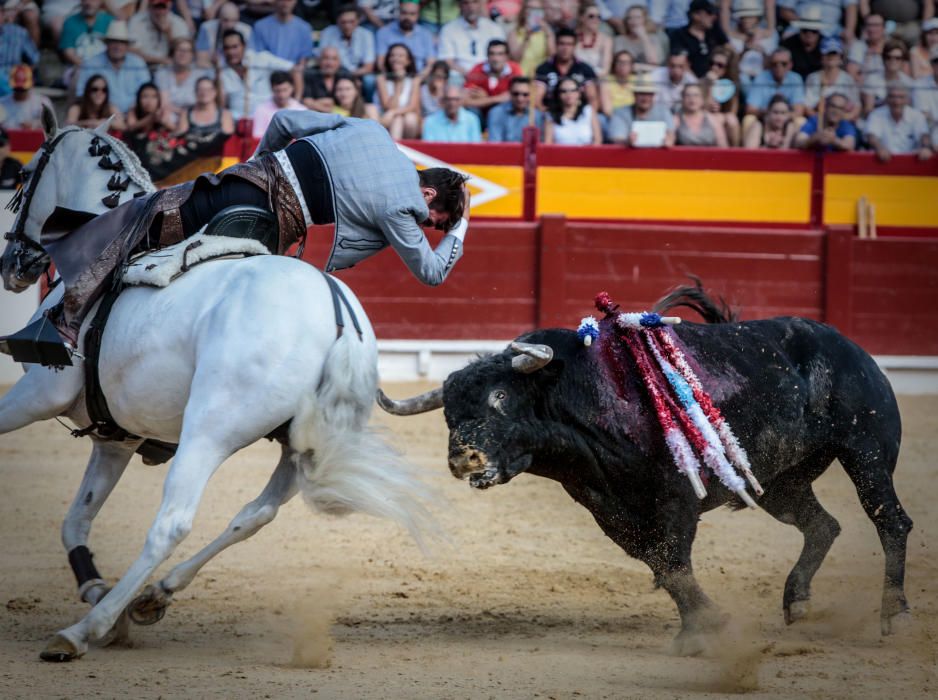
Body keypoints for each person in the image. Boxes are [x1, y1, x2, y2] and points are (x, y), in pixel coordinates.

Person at [3, 108, 473, 360]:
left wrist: (256, 165)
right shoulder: (401, 206)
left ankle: (61, 326)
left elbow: (283, 121)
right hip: (272, 230)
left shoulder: (371, 129)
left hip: (242, 192)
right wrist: (464, 228)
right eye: (434, 223)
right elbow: (432, 273)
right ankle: (69, 335)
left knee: (141, 218)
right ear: (427, 195)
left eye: (432, 229)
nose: (423, 228)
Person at [219, 28, 298, 120]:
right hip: (237, 121)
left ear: (244, 46)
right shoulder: (221, 71)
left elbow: (295, 69)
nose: (231, 52)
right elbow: (221, 105)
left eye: (235, 47)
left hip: (267, 118)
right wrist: (217, 74)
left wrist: (295, 100)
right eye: (227, 48)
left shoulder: (262, 59)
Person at [75, 20, 151, 113]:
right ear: (106, 43)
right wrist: (107, 108)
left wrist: (133, 111)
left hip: (135, 114)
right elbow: (81, 94)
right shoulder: (91, 63)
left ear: (127, 45)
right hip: (102, 115)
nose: (117, 46)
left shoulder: (138, 63)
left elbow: (148, 93)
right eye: (113, 41)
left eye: (121, 42)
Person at [865, 83, 933, 161]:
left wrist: (925, 148)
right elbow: (872, 136)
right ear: (887, 99)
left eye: (901, 97)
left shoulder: (917, 116)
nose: (897, 101)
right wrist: (879, 148)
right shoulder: (876, 114)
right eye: (892, 97)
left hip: (911, 164)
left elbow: (924, 135)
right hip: (883, 164)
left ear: (907, 99)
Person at [534, 27, 598, 110]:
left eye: (569, 44)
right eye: (562, 44)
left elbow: (592, 99)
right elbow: (537, 100)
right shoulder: (543, 69)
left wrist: (584, 118)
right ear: (556, 45)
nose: (565, 48)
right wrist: (550, 117)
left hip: (579, 116)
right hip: (550, 113)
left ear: (574, 46)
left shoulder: (585, 69)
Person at [318, 4, 377, 92]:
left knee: (369, 80)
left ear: (358, 20)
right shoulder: (328, 32)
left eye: (351, 21)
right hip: (334, 74)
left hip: (359, 74)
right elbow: (322, 60)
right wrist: (346, 78)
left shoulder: (366, 35)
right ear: (337, 21)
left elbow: (368, 67)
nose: (347, 26)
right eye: (343, 22)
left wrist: (351, 77)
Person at [154, 38, 212, 127]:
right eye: (179, 50)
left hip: (195, 116)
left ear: (192, 55)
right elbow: (164, 104)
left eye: (188, 51)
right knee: (163, 115)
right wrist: (183, 114)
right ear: (173, 53)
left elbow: (203, 101)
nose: (183, 54)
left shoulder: (200, 75)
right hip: (170, 118)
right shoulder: (162, 74)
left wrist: (187, 116)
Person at [440, 0, 507, 74]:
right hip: (460, 75)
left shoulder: (494, 28)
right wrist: (470, 75)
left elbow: (503, 55)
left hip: (490, 74)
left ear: (480, 4)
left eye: (474, 2)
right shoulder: (449, 29)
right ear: (459, 6)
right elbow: (447, 61)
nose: (471, 7)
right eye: (466, 3)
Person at [609, 72, 675, 146]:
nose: (645, 98)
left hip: (658, 156)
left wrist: (669, 141)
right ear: (634, 94)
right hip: (629, 156)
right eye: (641, 93)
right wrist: (627, 142)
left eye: (648, 94)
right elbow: (616, 139)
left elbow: (671, 135)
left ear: (653, 95)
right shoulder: (620, 113)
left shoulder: (663, 111)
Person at [669, 0, 729, 78]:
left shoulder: (714, 32)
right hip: (690, 83)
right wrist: (698, 84)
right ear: (695, 15)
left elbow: (730, 51)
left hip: (716, 81)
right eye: (709, 13)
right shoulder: (679, 35)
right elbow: (681, 62)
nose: (713, 17)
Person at [374, 42, 422, 138]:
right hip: (386, 120)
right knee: (398, 120)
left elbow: (412, 106)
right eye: (392, 55)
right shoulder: (381, 79)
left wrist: (393, 112)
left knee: (410, 119)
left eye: (401, 56)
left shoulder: (415, 79)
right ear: (388, 59)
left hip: (407, 120)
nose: (396, 58)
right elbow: (388, 107)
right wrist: (398, 84)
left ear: (408, 61)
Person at [463, 39, 523, 116]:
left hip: (504, 114)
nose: (495, 58)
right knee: (471, 110)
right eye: (492, 54)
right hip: (481, 113)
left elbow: (518, 96)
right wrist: (497, 99)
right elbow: (465, 101)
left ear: (507, 56)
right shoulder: (477, 69)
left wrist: (484, 99)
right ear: (487, 56)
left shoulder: (515, 69)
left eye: (500, 54)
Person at [804, 36, 859, 119]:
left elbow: (856, 107)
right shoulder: (812, 78)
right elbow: (807, 107)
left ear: (841, 58)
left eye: (834, 54)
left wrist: (843, 119)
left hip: (841, 121)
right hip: (817, 120)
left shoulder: (848, 79)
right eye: (828, 54)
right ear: (821, 57)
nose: (831, 57)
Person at [375, 0, 436, 73]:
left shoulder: (425, 34)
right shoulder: (384, 32)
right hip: (391, 77)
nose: (407, 17)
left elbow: (430, 64)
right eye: (404, 13)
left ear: (418, 15)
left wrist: (418, 79)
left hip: (419, 77)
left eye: (412, 14)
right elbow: (380, 64)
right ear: (398, 13)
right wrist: (389, 78)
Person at [127, 0, 191, 68]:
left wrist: (168, 33)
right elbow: (133, 51)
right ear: (149, 7)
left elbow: (183, 52)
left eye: (163, 7)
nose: (160, 12)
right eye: (156, 7)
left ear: (169, 6)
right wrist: (160, 60)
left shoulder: (178, 23)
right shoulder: (137, 21)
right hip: (142, 66)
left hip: (168, 68)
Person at [861, 38, 916, 118]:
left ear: (902, 61)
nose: (893, 61)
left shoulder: (909, 83)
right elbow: (868, 111)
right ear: (883, 59)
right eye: (889, 57)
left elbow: (911, 111)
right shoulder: (872, 80)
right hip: (877, 122)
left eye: (897, 58)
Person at [746, 47, 806, 118]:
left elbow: (798, 111)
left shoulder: (796, 79)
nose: (779, 67)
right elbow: (750, 109)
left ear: (790, 65)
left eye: (783, 64)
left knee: (800, 121)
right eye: (774, 64)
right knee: (749, 118)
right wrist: (773, 113)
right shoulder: (761, 78)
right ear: (770, 65)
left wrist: (780, 115)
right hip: (765, 118)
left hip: (787, 120)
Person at [251, 0, 313, 65]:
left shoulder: (304, 28)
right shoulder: (260, 26)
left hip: (294, 73)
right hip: (266, 71)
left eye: (289, 0)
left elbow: (304, 58)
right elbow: (258, 55)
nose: (285, 3)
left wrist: (297, 72)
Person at [544, 75, 601, 144]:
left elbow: (597, 140)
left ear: (579, 92)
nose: (569, 94)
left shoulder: (588, 111)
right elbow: (548, 143)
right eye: (563, 91)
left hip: (587, 153)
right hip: (560, 154)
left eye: (573, 90)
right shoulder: (551, 114)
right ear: (558, 94)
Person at [195, 1, 252, 68]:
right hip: (212, 69)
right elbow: (201, 61)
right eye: (226, 20)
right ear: (219, 18)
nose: (230, 25)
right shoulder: (207, 28)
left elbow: (249, 59)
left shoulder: (247, 30)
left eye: (234, 20)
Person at [487, 75, 545, 141]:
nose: (520, 98)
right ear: (509, 93)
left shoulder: (537, 116)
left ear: (531, 95)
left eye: (525, 94)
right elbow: (495, 142)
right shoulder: (496, 113)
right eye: (516, 94)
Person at [58, 0, 112, 70]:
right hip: (78, 67)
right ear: (81, 2)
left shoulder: (110, 21)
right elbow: (69, 52)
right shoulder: (70, 22)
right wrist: (87, 67)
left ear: (101, 2)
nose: (89, 3)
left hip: (107, 67)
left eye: (93, 1)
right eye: (85, 0)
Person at [252, 70, 306, 137]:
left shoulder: (301, 110)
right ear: (272, 89)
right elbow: (258, 136)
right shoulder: (261, 110)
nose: (282, 95)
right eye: (277, 91)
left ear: (292, 88)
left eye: (285, 90)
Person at [613, 4, 668, 68]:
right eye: (630, 18)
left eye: (638, 17)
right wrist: (645, 67)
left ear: (645, 20)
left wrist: (644, 37)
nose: (634, 21)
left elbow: (655, 62)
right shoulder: (619, 40)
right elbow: (621, 66)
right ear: (626, 21)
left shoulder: (653, 39)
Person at [508, 0, 555, 76]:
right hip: (520, 77)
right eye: (529, 8)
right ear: (524, 10)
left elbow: (552, 58)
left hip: (540, 79)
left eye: (536, 9)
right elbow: (515, 59)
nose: (532, 12)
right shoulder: (514, 32)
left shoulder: (547, 32)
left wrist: (548, 33)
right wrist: (526, 38)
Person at [778, 1, 856, 44]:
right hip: (802, 23)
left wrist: (849, 29)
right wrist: (807, 22)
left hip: (832, 26)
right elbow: (784, 10)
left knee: (850, 40)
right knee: (787, 36)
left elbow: (851, 7)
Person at [303, 45, 351, 112]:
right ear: (319, 60)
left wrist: (317, 103)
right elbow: (306, 102)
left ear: (339, 62)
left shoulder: (345, 74)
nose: (330, 63)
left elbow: (351, 102)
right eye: (326, 58)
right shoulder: (309, 74)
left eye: (334, 59)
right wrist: (332, 110)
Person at [0, 64, 50, 128]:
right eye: (17, 89)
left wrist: (34, 125)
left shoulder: (42, 102)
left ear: (32, 83)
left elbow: (50, 127)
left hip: (35, 137)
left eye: (23, 89)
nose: (19, 92)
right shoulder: (1, 103)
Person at [780, 5, 822, 78]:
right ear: (799, 30)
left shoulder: (826, 46)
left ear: (819, 32)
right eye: (805, 30)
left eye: (814, 31)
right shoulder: (788, 44)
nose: (809, 34)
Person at [0, 0, 38, 76]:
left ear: (3, 14)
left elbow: (34, 59)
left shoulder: (19, 33)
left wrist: (24, 75)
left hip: (12, 79)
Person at [846, 11, 885, 84]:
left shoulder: (891, 46)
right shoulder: (858, 46)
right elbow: (851, 74)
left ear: (883, 28)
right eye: (869, 25)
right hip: (864, 88)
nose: (872, 29)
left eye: (876, 25)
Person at [575, 3, 612, 76]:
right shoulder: (572, 37)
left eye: (599, 17)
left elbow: (605, 69)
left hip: (597, 79)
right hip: (574, 78)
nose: (596, 20)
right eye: (591, 16)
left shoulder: (606, 40)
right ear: (581, 17)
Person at [600, 49, 635, 116]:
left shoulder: (637, 81)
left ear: (632, 65)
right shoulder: (606, 81)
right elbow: (607, 110)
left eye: (627, 62)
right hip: (613, 117)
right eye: (620, 62)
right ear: (614, 64)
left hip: (633, 118)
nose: (623, 65)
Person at [914, 44, 938, 128]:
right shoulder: (920, 84)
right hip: (931, 130)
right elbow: (923, 115)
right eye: (937, 62)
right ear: (931, 64)